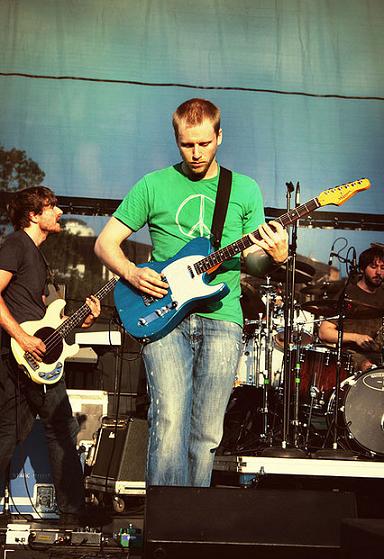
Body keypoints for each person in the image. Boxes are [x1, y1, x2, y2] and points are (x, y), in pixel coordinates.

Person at [94, 98, 288, 487]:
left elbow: (251, 262)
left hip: (222, 318)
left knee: (207, 434)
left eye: (203, 143)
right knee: (168, 422)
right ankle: (164, 531)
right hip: (164, 315)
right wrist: (132, 273)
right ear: (176, 139)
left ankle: (191, 527)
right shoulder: (153, 184)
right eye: (187, 144)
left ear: (219, 136)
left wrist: (276, 258)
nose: (196, 153)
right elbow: (104, 244)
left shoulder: (244, 189)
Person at [0, 186, 100, 524]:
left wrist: (81, 319)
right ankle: (73, 510)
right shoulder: (16, 245)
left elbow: (46, 322)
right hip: (17, 356)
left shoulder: (37, 256)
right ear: (33, 215)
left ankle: (72, 510)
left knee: (20, 431)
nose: (58, 212)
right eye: (52, 206)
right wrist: (22, 337)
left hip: (33, 362)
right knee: (58, 427)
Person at [319, 246, 384, 372]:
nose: (379, 272)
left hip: (379, 357)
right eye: (373, 267)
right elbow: (324, 332)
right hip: (351, 358)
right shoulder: (348, 294)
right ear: (362, 269)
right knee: (367, 367)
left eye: (383, 268)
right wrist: (356, 337)